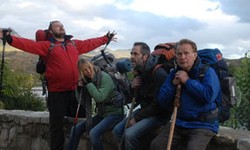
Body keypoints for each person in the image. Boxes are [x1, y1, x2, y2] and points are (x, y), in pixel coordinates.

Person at [0, 21, 117, 150]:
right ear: (51, 31)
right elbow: (28, 45)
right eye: (57, 26)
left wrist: (106, 38)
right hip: (57, 92)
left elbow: (89, 43)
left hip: (75, 90)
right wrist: (9, 38)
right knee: (56, 126)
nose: (61, 27)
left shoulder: (73, 44)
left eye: (62, 25)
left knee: (82, 119)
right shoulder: (47, 46)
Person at [150, 39, 221, 150]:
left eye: (186, 53)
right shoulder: (174, 74)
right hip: (180, 123)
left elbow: (208, 96)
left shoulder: (207, 72)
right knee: (156, 145)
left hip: (203, 125)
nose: (182, 57)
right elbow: (163, 100)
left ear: (194, 55)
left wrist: (187, 81)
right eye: (179, 54)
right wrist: (173, 85)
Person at [112, 42, 172, 150]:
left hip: (159, 115)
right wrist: (132, 87)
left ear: (145, 57)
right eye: (131, 53)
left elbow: (158, 104)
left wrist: (136, 119)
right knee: (117, 131)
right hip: (146, 110)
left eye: (135, 54)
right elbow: (136, 98)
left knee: (129, 134)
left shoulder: (158, 74)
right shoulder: (141, 72)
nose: (131, 57)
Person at [68, 58, 124, 150]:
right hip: (102, 114)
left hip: (115, 113)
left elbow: (99, 97)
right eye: (84, 70)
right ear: (81, 73)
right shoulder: (88, 81)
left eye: (89, 67)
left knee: (93, 133)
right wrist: (79, 89)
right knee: (75, 129)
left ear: (92, 65)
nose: (88, 71)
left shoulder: (104, 77)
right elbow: (82, 102)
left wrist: (88, 84)